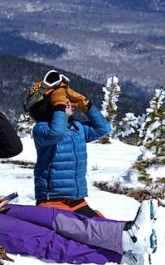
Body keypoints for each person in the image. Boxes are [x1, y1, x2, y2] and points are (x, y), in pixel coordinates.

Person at [0, 73, 157, 265]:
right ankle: (123, 260)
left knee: (55, 219)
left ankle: (126, 236)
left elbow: (11, 147)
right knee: (41, 239)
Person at [24, 70, 111, 217]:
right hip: (51, 200)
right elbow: (56, 133)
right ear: (49, 106)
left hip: (77, 200)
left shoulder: (77, 128)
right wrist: (59, 107)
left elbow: (103, 129)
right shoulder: (41, 129)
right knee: (77, 233)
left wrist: (86, 105)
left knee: (98, 226)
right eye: (62, 99)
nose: (67, 102)